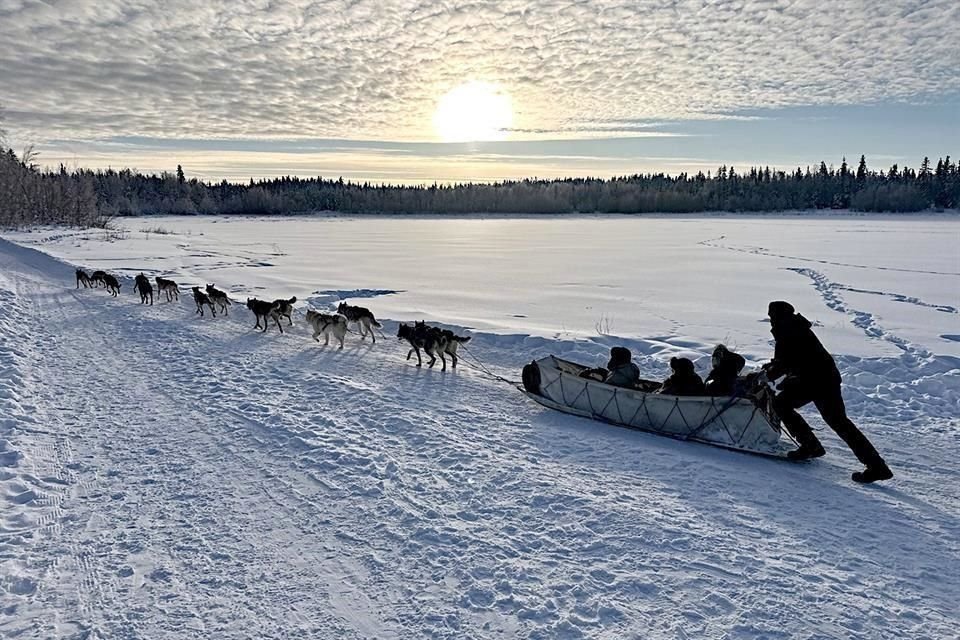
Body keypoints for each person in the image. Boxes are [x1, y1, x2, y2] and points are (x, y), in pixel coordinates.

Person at [763, 300, 892, 483]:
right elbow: (792, 360)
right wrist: (775, 368)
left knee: (782, 404)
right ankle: (876, 466)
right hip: (821, 378)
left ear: (776, 316)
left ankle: (811, 445)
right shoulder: (795, 327)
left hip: (816, 381)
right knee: (840, 423)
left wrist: (768, 374)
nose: (770, 320)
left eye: (771, 316)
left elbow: (786, 362)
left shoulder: (788, 331)